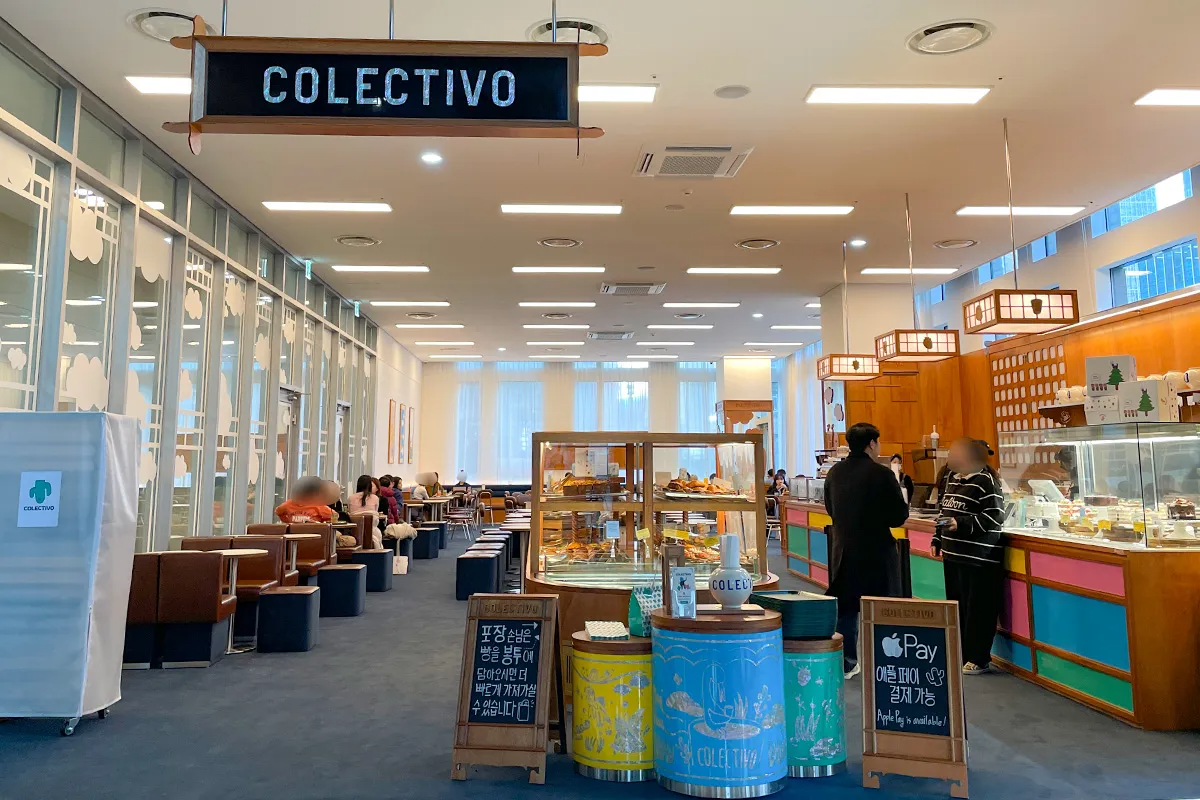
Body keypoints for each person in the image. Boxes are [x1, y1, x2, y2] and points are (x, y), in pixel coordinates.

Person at [825, 422, 910, 679]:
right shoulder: (881, 473)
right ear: (872, 444)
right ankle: (885, 660)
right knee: (882, 607)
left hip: (844, 548)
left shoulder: (835, 473)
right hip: (876, 550)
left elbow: (830, 508)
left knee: (847, 607)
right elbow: (898, 516)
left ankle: (848, 662)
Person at [934, 438, 1006, 675]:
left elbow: (994, 517)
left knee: (978, 610)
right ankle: (960, 653)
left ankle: (979, 658)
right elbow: (944, 512)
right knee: (957, 608)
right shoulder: (950, 479)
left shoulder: (985, 482)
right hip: (953, 554)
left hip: (978, 558)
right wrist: (938, 537)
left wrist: (961, 524)